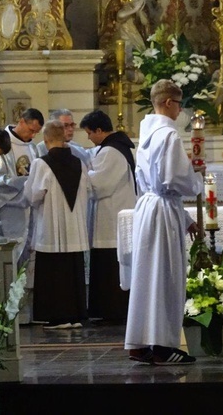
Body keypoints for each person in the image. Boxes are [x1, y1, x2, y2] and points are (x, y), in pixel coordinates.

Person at [124, 79, 204, 365]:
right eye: (179, 104)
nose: (180, 110)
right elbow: (173, 180)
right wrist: (197, 178)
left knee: (147, 278)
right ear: (168, 102)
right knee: (165, 278)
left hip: (150, 206)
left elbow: (157, 184)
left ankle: (139, 343)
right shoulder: (168, 136)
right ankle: (161, 347)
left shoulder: (147, 133)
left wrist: (184, 217)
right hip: (162, 211)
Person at [24, 120, 91, 329]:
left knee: (53, 271)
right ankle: (75, 315)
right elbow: (89, 190)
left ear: (45, 140)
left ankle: (57, 317)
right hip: (75, 226)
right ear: (63, 139)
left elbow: (34, 195)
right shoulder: (79, 163)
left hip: (51, 227)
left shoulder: (41, 163)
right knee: (73, 270)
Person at [79, 110, 137, 324]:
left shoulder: (111, 152)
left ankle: (113, 311)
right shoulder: (114, 148)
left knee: (110, 266)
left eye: (89, 133)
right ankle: (109, 310)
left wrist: (82, 174)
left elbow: (101, 184)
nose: (88, 138)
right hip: (112, 214)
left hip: (112, 217)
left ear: (99, 130)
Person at [0, 107, 44, 258]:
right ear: (21, 122)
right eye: (31, 130)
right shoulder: (3, 143)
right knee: (9, 256)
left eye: (36, 132)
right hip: (8, 211)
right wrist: (28, 183)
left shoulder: (32, 148)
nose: (32, 135)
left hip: (29, 211)